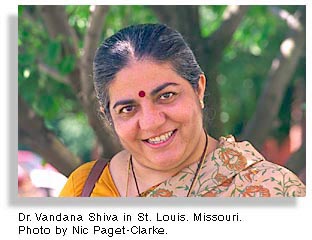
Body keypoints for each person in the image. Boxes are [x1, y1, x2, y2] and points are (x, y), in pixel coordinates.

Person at [59, 23, 305, 197]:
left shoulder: (272, 191)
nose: (152, 122)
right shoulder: (84, 190)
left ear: (198, 89)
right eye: (128, 108)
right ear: (108, 117)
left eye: (166, 96)